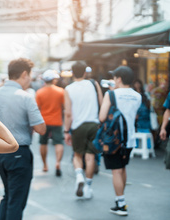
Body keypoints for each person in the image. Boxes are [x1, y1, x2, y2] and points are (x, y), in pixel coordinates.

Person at [0, 58, 46, 220]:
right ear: (24, 74)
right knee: (16, 200)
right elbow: (41, 129)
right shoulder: (25, 97)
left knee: (8, 195)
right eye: (30, 75)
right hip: (19, 152)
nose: (30, 80)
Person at [98, 66, 141, 216]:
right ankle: (120, 199)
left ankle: (121, 204)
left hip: (113, 140)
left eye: (115, 77)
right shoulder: (138, 96)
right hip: (129, 139)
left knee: (116, 171)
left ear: (119, 79)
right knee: (122, 168)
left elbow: (102, 117)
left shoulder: (111, 94)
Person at [64, 61, 103, 200]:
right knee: (90, 156)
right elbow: (101, 102)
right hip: (94, 124)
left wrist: (66, 131)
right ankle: (88, 187)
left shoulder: (68, 89)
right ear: (85, 72)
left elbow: (68, 113)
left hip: (78, 126)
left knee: (77, 155)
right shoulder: (93, 84)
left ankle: (79, 175)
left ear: (72, 73)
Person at [35, 70, 64, 176]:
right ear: (54, 80)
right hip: (57, 121)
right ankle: (58, 163)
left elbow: (37, 108)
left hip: (44, 122)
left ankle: (45, 165)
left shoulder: (39, 92)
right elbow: (65, 106)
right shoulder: (61, 91)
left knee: (43, 143)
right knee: (59, 142)